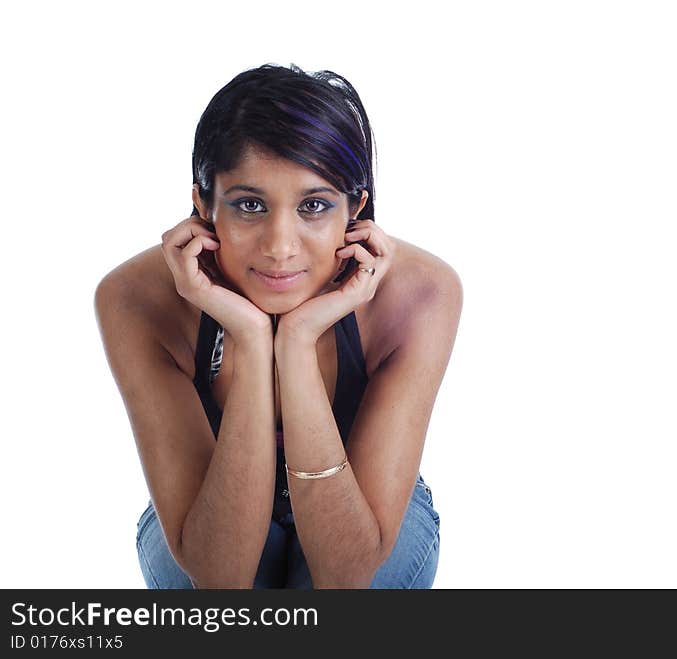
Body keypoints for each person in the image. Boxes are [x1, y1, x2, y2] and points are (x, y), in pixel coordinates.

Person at [94, 63, 463, 589]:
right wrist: (246, 332)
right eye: (249, 205)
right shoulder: (136, 298)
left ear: (354, 208)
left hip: (368, 501)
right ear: (203, 203)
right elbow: (218, 577)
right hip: (205, 499)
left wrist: (295, 341)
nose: (280, 247)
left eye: (314, 206)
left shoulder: (421, 292)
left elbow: (348, 573)